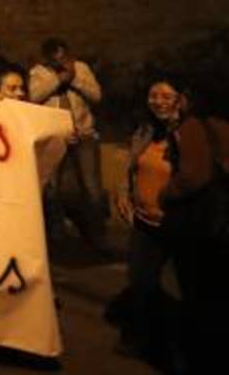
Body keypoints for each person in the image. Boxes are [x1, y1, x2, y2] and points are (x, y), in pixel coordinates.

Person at [113, 79, 228, 372]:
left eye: (167, 95)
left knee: (194, 292)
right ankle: (146, 337)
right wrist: (125, 193)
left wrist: (165, 196)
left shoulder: (193, 129)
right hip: (145, 222)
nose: (158, 101)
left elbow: (194, 175)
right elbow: (132, 165)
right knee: (142, 283)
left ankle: (191, 353)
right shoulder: (146, 130)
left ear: (182, 98)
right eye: (153, 95)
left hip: (179, 225)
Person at [29, 37, 108, 254]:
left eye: (63, 56)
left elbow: (97, 95)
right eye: (55, 57)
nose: (61, 61)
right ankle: (57, 234)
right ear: (47, 58)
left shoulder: (81, 68)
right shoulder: (37, 73)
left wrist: (74, 80)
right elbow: (33, 97)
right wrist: (58, 80)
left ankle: (97, 234)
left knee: (92, 188)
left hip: (84, 134)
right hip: (54, 137)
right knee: (51, 187)